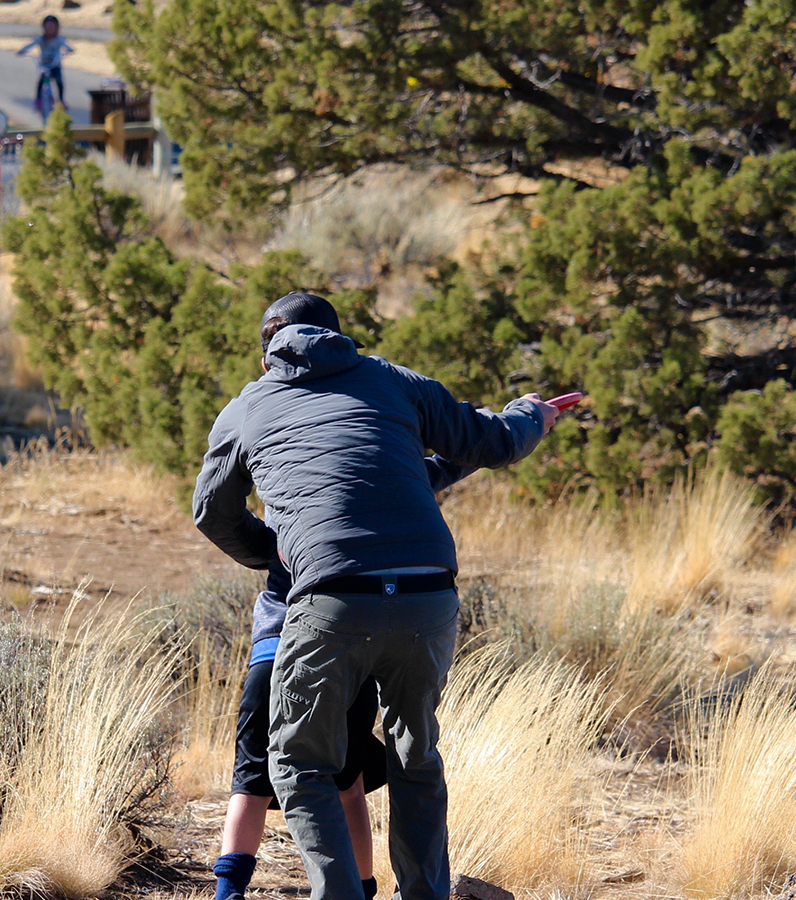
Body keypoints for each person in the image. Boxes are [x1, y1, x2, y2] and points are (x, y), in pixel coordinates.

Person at [193, 292, 558, 900]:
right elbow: (487, 442)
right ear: (340, 337)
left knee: (298, 762)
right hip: (429, 590)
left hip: (333, 599)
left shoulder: (248, 407)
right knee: (416, 758)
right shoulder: (393, 380)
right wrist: (529, 414)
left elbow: (211, 513)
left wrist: (277, 549)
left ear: (267, 354)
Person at [211, 455, 475, 900]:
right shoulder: (370, 490)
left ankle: (228, 891)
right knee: (347, 783)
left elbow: (216, 510)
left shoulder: (285, 486)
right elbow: (435, 467)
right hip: (343, 644)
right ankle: (364, 890)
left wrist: (263, 547)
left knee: (252, 781)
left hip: (277, 649)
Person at [15, 15, 73, 113]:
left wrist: (69, 49)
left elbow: (67, 45)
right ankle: (37, 100)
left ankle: (61, 100)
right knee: (41, 80)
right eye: (47, 26)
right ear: (44, 27)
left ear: (57, 28)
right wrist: (23, 50)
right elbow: (31, 44)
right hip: (44, 65)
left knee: (59, 80)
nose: (50, 28)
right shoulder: (41, 39)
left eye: (52, 26)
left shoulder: (59, 39)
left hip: (55, 65)